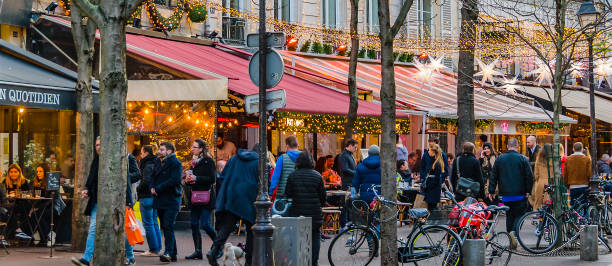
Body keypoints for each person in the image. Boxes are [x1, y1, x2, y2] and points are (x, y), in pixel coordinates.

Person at [207, 145, 260, 266]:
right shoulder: (258, 162)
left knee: (227, 227)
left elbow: (223, 176)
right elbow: (261, 182)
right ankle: (248, 261)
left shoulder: (235, 158)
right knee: (251, 230)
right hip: (249, 198)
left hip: (233, 197)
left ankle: (214, 251)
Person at [285, 152, 326, 266]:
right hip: (314, 214)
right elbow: (323, 197)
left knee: (298, 238)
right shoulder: (317, 176)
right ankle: (313, 261)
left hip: (297, 212)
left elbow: (288, 194)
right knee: (315, 236)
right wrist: (319, 205)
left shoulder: (293, 175)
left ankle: (300, 260)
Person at [489, 138, 534, 233]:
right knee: (519, 215)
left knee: (509, 215)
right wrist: (528, 190)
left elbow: (493, 175)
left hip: (505, 195)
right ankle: (514, 233)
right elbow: (529, 176)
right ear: (517, 146)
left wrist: (491, 191)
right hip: (520, 194)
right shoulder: (523, 158)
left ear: (507, 146)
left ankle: (510, 235)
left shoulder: (500, 159)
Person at [185, 139, 217, 260]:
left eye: (195, 147)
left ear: (201, 149)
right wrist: (188, 180)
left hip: (206, 197)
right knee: (193, 224)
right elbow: (191, 180)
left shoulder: (208, 161)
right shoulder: (193, 162)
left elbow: (212, 179)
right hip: (195, 197)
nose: (192, 149)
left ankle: (218, 244)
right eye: (192, 147)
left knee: (205, 223)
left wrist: (196, 178)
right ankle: (198, 251)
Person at [151, 142, 182, 263]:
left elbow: (175, 180)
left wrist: (158, 188)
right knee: (165, 226)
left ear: (169, 151)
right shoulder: (158, 161)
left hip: (172, 199)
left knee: (168, 225)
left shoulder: (175, 163)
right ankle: (173, 253)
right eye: (160, 149)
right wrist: (152, 187)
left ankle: (168, 252)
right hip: (160, 198)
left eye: (162, 150)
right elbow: (153, 176)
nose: (159, 151)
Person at [137, 145, 162, 257]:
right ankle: (158, 247)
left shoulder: (147, 165)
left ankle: (153, 249)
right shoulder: (156, 162)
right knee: (154, 223)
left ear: (146, 153)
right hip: (154, 197)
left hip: (146, 196)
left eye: (142, 153)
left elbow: (146, 181)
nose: (140, 155)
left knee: (148, 224)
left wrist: (137, 189)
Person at [529, 144, 564, 210]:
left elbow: (536, 173)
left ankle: (536, 212)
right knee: (548, 199)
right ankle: (547, 213)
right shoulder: (553, 159)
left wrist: (538, 179)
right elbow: (556, 172)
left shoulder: (538, 159)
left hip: (540, 181)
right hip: (550, 181)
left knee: (538, 199)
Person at [3, 164, 32, 241]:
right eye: (11, 172)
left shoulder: (24, 181)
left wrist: (17, 194)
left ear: (19, 173)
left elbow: (28, 194)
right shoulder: (5, 182)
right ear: (8, 173)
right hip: (10, 204)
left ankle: (16, 232)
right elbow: (3, 195)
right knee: (8, 210)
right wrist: (8, 196)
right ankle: (17, 231)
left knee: (9, 209)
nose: (13, 174)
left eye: (15, 172)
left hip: (22, 204)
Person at [564, 142, 592, 207]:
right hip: (584, 186)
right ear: (582, 149)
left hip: (573, 186)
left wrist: (567, 186)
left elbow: (565, 174)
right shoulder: (587, 159)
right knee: (584, 206)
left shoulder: (568, 159)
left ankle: (575, 217)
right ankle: (584, 217)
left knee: (574, 206)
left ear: (573, 149)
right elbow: (589, 173)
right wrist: (589, 185)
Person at [421, 144, 447, 211]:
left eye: (429, 150)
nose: (428, 152)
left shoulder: (437, 163)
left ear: (433, 152)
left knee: (432, 208)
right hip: (432, 189)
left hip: (433, 190)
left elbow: (436, 178)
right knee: (430, 208)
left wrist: (428, 186)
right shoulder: (433, 161)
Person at [31, 163, 51, 246]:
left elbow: (50, 200)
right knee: (31, 213)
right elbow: (34, 197)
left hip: (50, 206)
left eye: (40, 171)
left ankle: (49, 234)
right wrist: (33, 207)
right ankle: (37, 233)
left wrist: (37, 208)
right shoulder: (36, 183)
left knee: (38, 213)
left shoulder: (50, 182)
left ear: (45, 172)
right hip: (40, 206)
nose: (38, 173)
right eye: (37, 171)